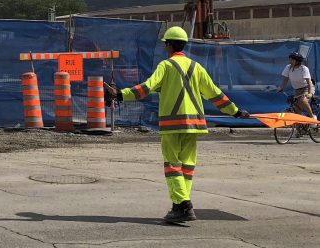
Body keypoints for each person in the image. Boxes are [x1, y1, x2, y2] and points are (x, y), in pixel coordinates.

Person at [104, 26, 250, 224]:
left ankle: (182, 204)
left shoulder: (166, 65)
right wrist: (235, 111)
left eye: (166, 44)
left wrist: (121, 94)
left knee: (172, 165)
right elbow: (215, 94)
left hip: (173, 124)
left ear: (170, 45)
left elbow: (146, 88)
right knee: (187, 167)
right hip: (194, 125)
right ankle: (180, 205)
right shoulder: (196, 67)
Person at [277, 52, 315, 120]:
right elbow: (285, 79)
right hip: (296, 90)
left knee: (302, 101)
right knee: (297, 108)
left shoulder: (304, 69)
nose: (290, 61)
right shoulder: (288, 67)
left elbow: (309, 82)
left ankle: (312, 117)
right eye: (290, 60)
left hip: (306, 88)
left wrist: (310, 93)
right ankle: (299, 127)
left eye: (292, 60)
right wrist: (281, 88)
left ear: (297, 61)